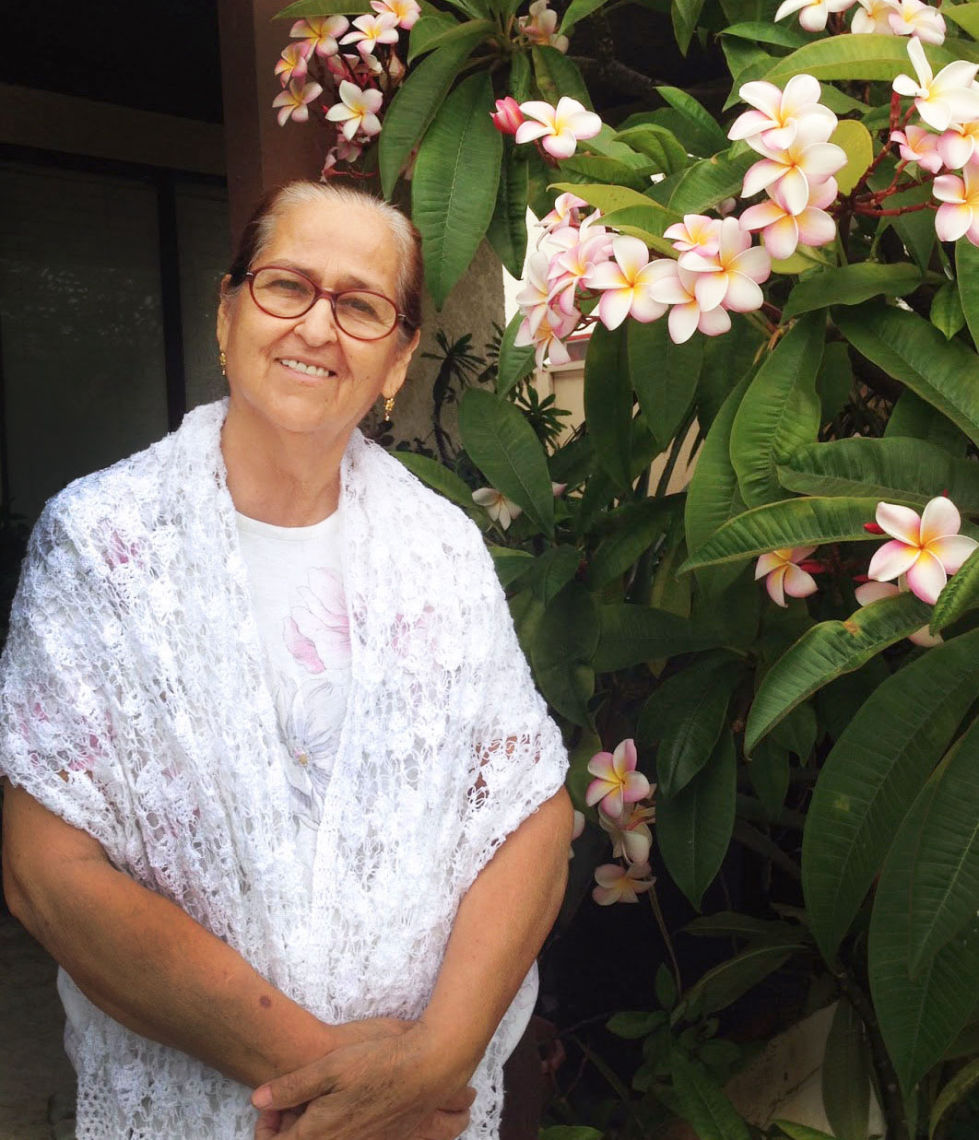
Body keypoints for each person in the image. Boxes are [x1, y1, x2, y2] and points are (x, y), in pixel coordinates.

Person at [0, 180, 572, 1140]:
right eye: (286, 287)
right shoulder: (104, 542)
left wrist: (439, 1055)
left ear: (394, 363)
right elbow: (48, 868)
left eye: (360, 304)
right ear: (226, 318)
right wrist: (355, 1095)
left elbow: (529, 813)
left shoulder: (437, 545)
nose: (318, 326)